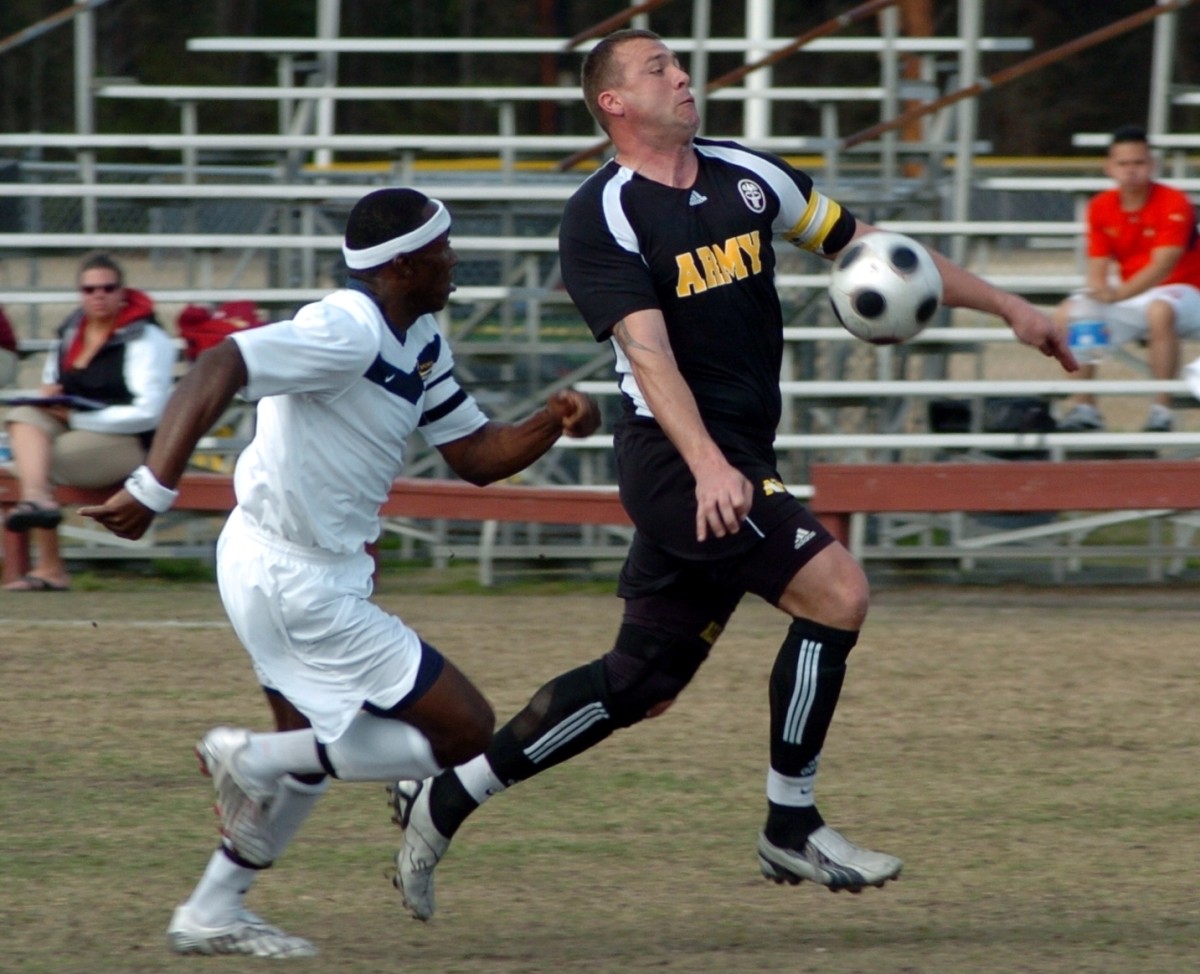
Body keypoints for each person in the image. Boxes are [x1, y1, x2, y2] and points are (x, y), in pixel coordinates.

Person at [386, 27, 1077, 922]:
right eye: (658, 68)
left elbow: (877, 249)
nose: (681, 75)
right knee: (837, 592)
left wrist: (1014, 309)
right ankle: (790, 823)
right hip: (680, 464)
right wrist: (711, 466)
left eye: (678, 61)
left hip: (738, 459)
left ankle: (447, 798)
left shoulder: (749, 176)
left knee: (641, 683)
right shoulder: (604, 213)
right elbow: (649, 350)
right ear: (614, 104)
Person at [80, 187, 600, 959]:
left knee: (311, 760)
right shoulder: (346, 327)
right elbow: (221, 361)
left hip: (292, 570)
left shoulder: (418, 337)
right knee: (464, 731)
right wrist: (154, 486)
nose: (455, 262)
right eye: (443, 251)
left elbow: (477, 457)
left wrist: (551, 425)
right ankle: (244, 755)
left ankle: (211, 910)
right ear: (399, 267)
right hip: (294, 579)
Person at [2, 253, 174, 592]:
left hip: (130, 441)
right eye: (90, 288)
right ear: (80, 293)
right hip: (76, 427)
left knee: (38, 459)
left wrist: (78, 416)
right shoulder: (71, 330)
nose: (99, 295)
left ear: (122, 292)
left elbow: (148, 413)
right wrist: (50, 395)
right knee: (22, 417)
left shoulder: (146, 338)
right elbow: (54, 380)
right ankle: (39, 501)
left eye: (108, 288)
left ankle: (50, 564)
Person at [1055, 124, 1200, 433]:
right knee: (1074, 309)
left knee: (1160, 310)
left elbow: (1164, 264)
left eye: (1139, 162)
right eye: (1123, 163)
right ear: (1109, 167)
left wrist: (1116, 296)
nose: (1131, 171)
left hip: (1187, 293)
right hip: (1136, 296)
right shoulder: (1101, 206)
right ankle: (1085, 408)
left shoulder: (1174, 201)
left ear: (1153, 164)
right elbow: (1097, 266)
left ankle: (1162, 410)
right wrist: (1097, 293)